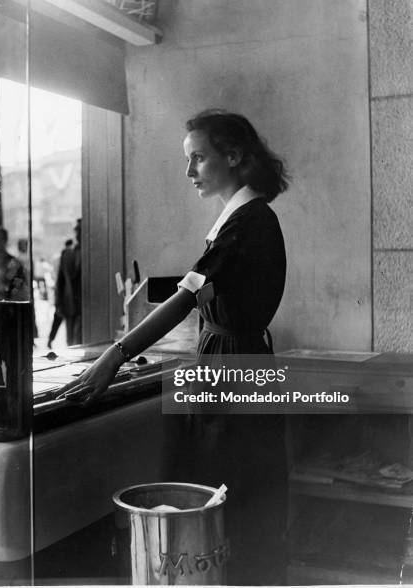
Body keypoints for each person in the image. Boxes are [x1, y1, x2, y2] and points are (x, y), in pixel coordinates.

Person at [59, 111, 290, 585]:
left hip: (233, 372)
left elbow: (186, 298)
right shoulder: (240, 219)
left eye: (198, 159)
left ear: (233, 156)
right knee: (226, 490)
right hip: (230, 364)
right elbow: (201, 296)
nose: (189, 173)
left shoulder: (247, 222)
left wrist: (114, 355)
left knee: (231, 492)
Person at [54, 222, 82, 346]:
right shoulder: (67, 253)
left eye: (81, 230)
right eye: (77, 230)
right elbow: (60, 281)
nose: (79, 233)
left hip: (87, 307)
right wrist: (58, 303)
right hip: (70, 304)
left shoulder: (94, 253)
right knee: (71, 343)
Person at [47, 239, 73, 349]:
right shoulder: (63, 257)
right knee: (59, 320)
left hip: (63, 297)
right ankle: (51, 339)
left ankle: (50, 339)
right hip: (64, 298)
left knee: (58, 320)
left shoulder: (60, 257)